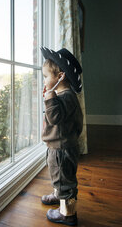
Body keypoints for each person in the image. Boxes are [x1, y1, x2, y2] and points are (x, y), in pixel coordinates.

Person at [40, 47, 83, 226]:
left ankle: (67, 214)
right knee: (60, 176)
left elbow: (55, 118)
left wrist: (49, 99)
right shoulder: (65, 95)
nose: (44, 80)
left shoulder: (64, 98)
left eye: (46, 76)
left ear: (60, 77)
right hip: (62, 146)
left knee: (64, 180)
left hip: (61, 149)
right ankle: (59, 195)